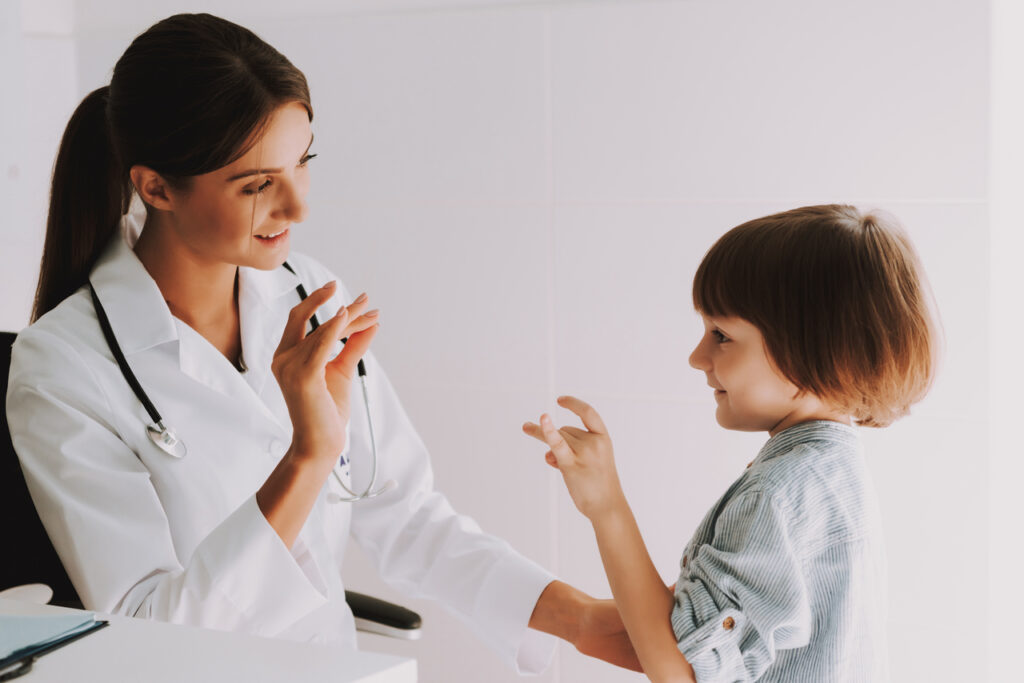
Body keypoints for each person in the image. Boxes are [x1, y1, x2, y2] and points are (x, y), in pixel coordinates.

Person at [5, 13, 639, 674]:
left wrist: (580, 618)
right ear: (156, 187)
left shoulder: (306, 291)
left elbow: (407, 514)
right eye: (256, 185)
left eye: (301, 162)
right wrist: (308, 457)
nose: (298, 207)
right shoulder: (64, 365)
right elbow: (149, 629)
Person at [523, 205, 938, 681]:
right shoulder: (832, 467)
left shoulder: (779, 492)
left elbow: (683, 670)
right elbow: (690, 635)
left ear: (815, 350)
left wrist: (606, 506)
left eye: (721, 335)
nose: (697, 357)